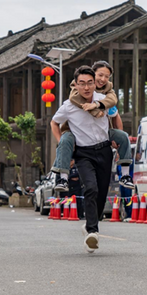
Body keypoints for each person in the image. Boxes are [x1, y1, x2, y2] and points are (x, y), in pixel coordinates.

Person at [51, 66, 114, 253]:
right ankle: (92, 233)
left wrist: (119, 137)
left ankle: (90, 226)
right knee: (91, 188)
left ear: (95, 84)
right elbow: (54, 122)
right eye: (82, 84)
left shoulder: (103, 101)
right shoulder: (68, 106)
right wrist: (63, 144)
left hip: (104, 150)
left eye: (89, 83)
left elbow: (116, 116)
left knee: (102, 194)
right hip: (83, 153)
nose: (86, 88)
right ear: (75, 85)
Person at [52, 60, 134, 193]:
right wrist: (95, 109)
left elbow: (115, 113)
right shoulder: (76, 91)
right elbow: (61, 115)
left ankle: (125, 175)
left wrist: (117, 137)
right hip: (77, 135)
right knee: (65, 140)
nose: (103, 79)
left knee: (123, 136)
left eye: (107, 77)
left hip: (102, 137)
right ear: (92, 75)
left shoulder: (107, 92)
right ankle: (62, 177)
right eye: (100, 75)